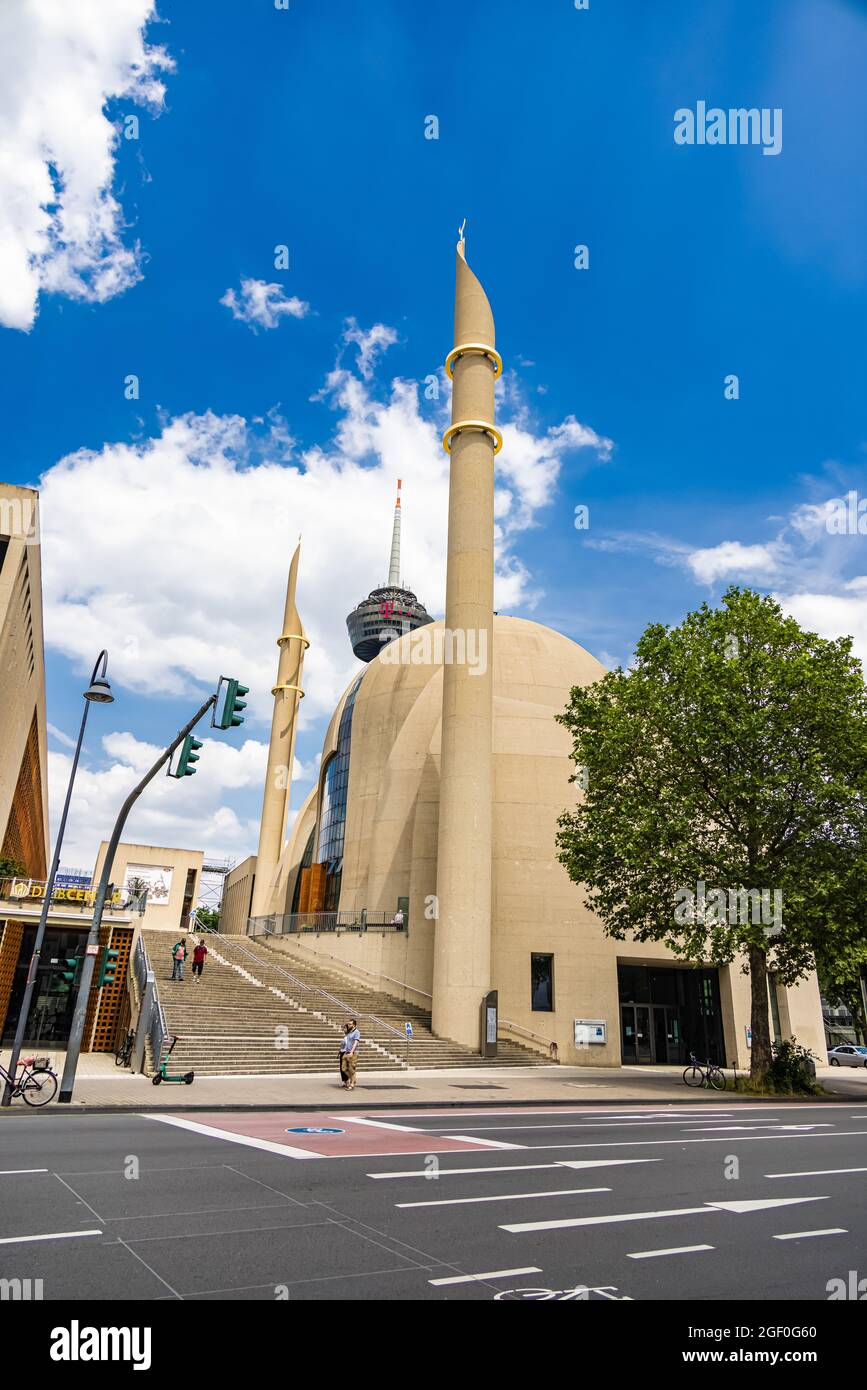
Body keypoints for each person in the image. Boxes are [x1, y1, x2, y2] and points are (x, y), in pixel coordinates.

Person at [343, 1017, 360, 1090]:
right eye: (348, 1024)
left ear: (354, 1025)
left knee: (351, 1069)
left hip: (353, 1053)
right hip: (346, 1052)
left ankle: (352, 1084)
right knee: (343, 1068)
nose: (348, 1025)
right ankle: (353, 1079)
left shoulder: (357, 1032)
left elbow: (356, 1042)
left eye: (350, 1024)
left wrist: (352, 1052)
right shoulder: (349, 1032)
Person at [338, 1023, 351, 1089]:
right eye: (344, 1028)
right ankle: (344, 1081)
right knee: (341, 1068)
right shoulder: (345, 1037)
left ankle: (348, 1081)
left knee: (345, 1068)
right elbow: (342, 1046)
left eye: (345, 1028)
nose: (344, 1029)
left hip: (346, 1053)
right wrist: (339, 1052)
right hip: (342, 1053)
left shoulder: (349, 1037)